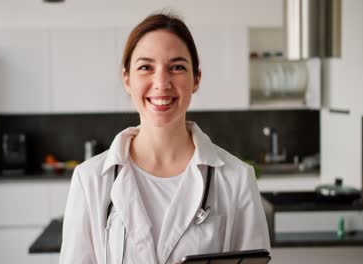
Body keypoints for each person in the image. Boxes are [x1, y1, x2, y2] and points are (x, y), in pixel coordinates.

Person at [59, 12, 270, 264]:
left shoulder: (237, 180)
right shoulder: (89, 180)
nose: (161, 82)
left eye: (177, 67)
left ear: (196, 79)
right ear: (127, 78)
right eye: (146, 67)